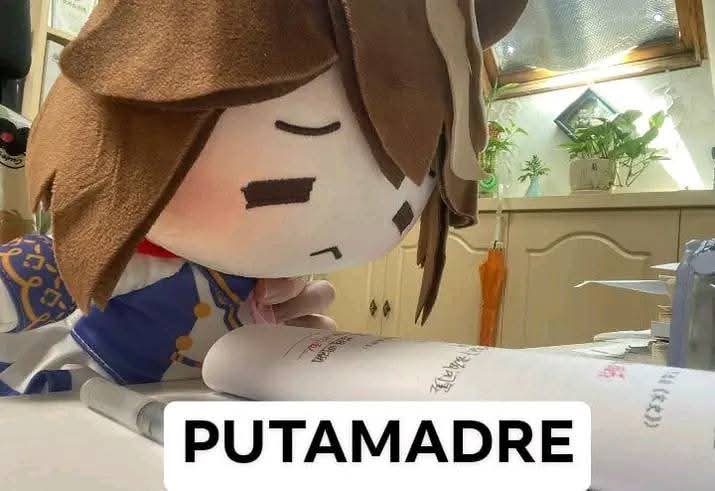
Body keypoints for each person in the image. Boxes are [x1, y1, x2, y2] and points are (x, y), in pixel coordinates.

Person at [0, 0, 527, 395]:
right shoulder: (124, 261)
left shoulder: (265, 280)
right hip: (84, 395)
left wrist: (285, 352)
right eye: (292, 180)